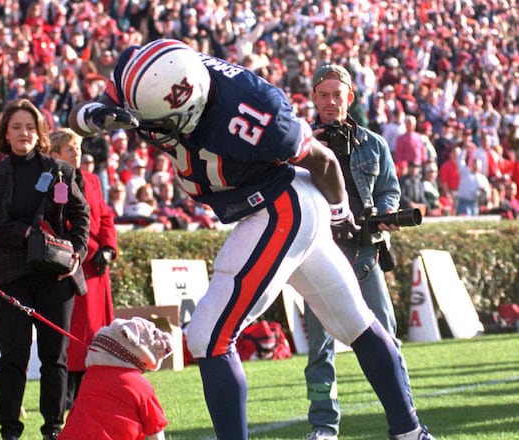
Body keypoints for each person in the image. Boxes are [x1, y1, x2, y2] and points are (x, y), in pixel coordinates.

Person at [69, 39, 434, 440]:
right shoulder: (144, 70)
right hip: (278, 207)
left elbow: (323, 161)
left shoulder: (251, 110)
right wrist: (95, 116)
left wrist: (340, 213)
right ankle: (410, 432)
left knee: (208, 335)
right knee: (356, 323)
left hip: (280, 206)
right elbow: (78, 118)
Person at [303, 64, 413, 440]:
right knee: (320, 349)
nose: (331, 101)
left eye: (338, 94)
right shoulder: (299, 143)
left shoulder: (375, 143)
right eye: (324, 94)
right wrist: (305, 149)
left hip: (366, 253)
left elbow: (389, 189)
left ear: (350, 97)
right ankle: (323, 426)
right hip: (319, 255)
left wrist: (385, 212)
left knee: (388, 339)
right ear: (314, 98)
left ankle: (406, 419)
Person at [0, 98, 89, 440]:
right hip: (13, 277)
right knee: (13, 357)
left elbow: (81, 216)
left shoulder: (60, 170)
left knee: (55, 357)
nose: (23, 133)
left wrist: (76, 253)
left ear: (39, 131)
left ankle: (53, 428)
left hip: (56, 276)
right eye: (16, 127)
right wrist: (23, 233)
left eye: (29, 126)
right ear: (5, 135)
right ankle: (10, 429)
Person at [48, 127, 117, 410]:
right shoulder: (50, 182)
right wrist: (73, 254)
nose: (77, 152)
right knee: (75, 338)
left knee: (95, 335)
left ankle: (95, 394)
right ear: (54, 154)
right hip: (71, 268)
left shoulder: (91, 179)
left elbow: (105, 215)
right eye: (70, 148)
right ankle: (69, 397)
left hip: (97, 270)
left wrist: (109, 248)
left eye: (78, 147)